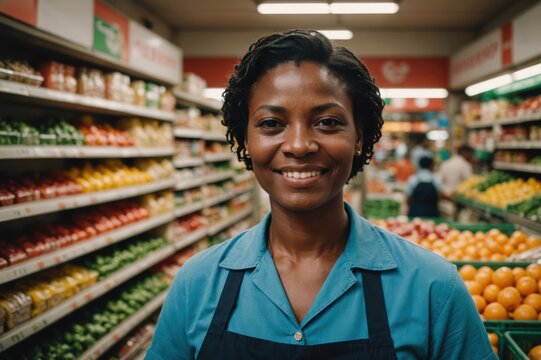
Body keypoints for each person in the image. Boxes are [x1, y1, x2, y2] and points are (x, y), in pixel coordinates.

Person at [146, 30, 496, 360]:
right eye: (271, 124)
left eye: (327, 122)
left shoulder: (433, 287)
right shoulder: (197, 284)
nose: (299, 145)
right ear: (244, 140)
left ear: (359, 137)